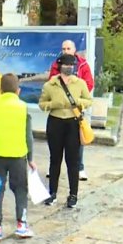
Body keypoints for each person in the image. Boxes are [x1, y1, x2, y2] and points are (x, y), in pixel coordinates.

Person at [0, 74, 35, 241]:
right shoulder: (23, 107)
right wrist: (30, 158)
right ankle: (21, 224)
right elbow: (28, 136)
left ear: (0, 89)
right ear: (18, 90)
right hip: (18, 155)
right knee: (20, 190)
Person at [39, 53, 92, 208]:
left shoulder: (80, 83)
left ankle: (73, 194)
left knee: (73, 161)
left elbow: (89, 100)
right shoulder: (50, 84)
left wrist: (78, 102)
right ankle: (52, 192)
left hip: (73, 123)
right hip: (55, 122)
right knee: (55, 159)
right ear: (60, 66)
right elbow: (42, 104)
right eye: (66, 64)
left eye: (72, 65)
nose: (69, 67)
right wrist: (53, 104)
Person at [49, 40, 94, 181]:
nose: (66, 50)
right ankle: (54, 168)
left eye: (68, 48)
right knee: (56, 142)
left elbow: (89, 83)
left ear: (74, 49)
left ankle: (79, 167)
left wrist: (77, 96)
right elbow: (51, 82)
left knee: (77, 140)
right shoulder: (56, 64)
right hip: (60, 110)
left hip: (76, 109)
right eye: (63, 48)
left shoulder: (83, 65)